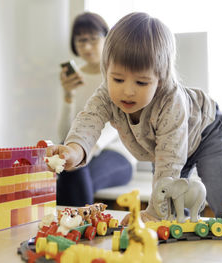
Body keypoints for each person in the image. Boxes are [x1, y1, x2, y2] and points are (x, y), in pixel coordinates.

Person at [50, 12, 222, 223]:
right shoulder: (106, 94)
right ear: (106, 71)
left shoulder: (170, 101)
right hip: (165, 149)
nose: (127, 91)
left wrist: (153, 213)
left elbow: (169, 163)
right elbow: (88, 121)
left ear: (160, 80)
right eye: (118, 79)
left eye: (141, 83)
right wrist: (74, 149)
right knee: (170, 209)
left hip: (206, 132)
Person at [57, 12, 136, 206]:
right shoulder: (74, 77)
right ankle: (75, 229)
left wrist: (91, 146)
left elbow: (118, 121)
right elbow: (65, 133)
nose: (87, 46)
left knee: (74, 174)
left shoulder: (117, 74)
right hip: (82, 148)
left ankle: (70, 229)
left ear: (107, 39)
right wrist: (68, 95)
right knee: (71, 172)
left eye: (93, 39)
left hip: (117, 153)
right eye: (81, 40)